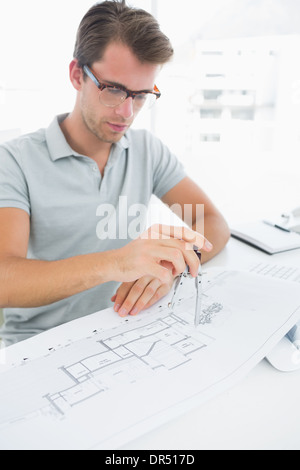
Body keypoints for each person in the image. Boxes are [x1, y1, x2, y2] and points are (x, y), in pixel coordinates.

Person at [0, 0, 230, 346]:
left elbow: (211, 222)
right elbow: (5, 279)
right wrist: (115, 264)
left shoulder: (147, 151)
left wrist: (170, 268)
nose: (127, 112)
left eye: (140, 95)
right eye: (114, 90)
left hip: (125, 329)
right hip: (40, 343)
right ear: (77, 75)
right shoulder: (14, 161)